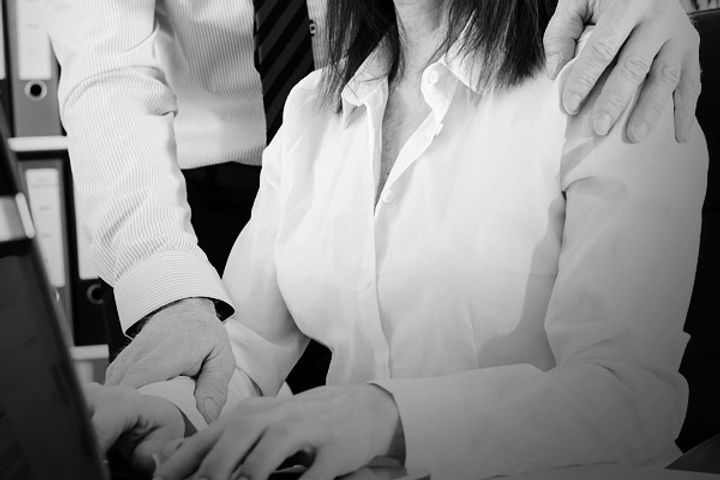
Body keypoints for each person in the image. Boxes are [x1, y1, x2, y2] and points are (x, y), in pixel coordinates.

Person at [83, 0, 709, 479]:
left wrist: (387, 416)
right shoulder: (313, 106)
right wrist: (173, 410)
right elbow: (246, 346)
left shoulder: (609, 87)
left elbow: (629, 394)